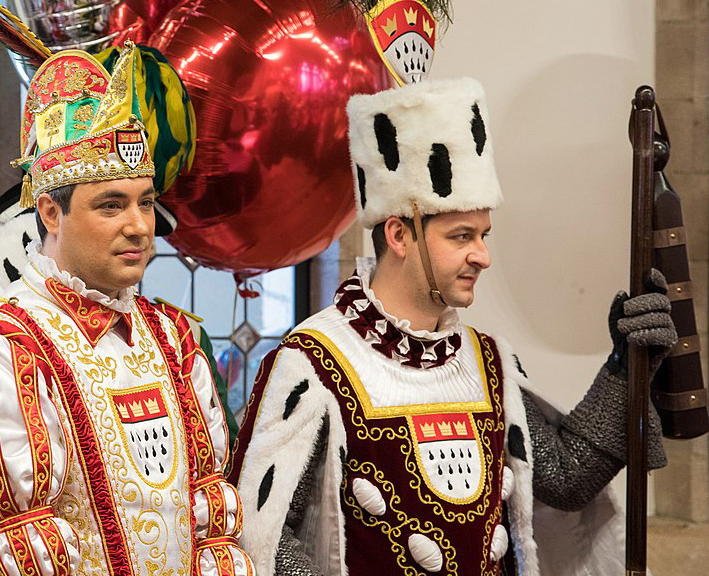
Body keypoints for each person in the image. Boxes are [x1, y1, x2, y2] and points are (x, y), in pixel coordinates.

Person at [229, 78, 677, 576]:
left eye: (483, 235)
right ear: (399, 234)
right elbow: (259, 536)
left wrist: (625, 367)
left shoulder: (488, 362)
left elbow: (565, 477)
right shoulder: (312, 363)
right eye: (461, 236)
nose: (482, 256)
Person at [0, 46, 253, 576]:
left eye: (144, 201)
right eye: (110, 205)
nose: (140, 226)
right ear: (51, 211)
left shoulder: (172, 337)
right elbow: (15, 552)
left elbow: (212, 528)